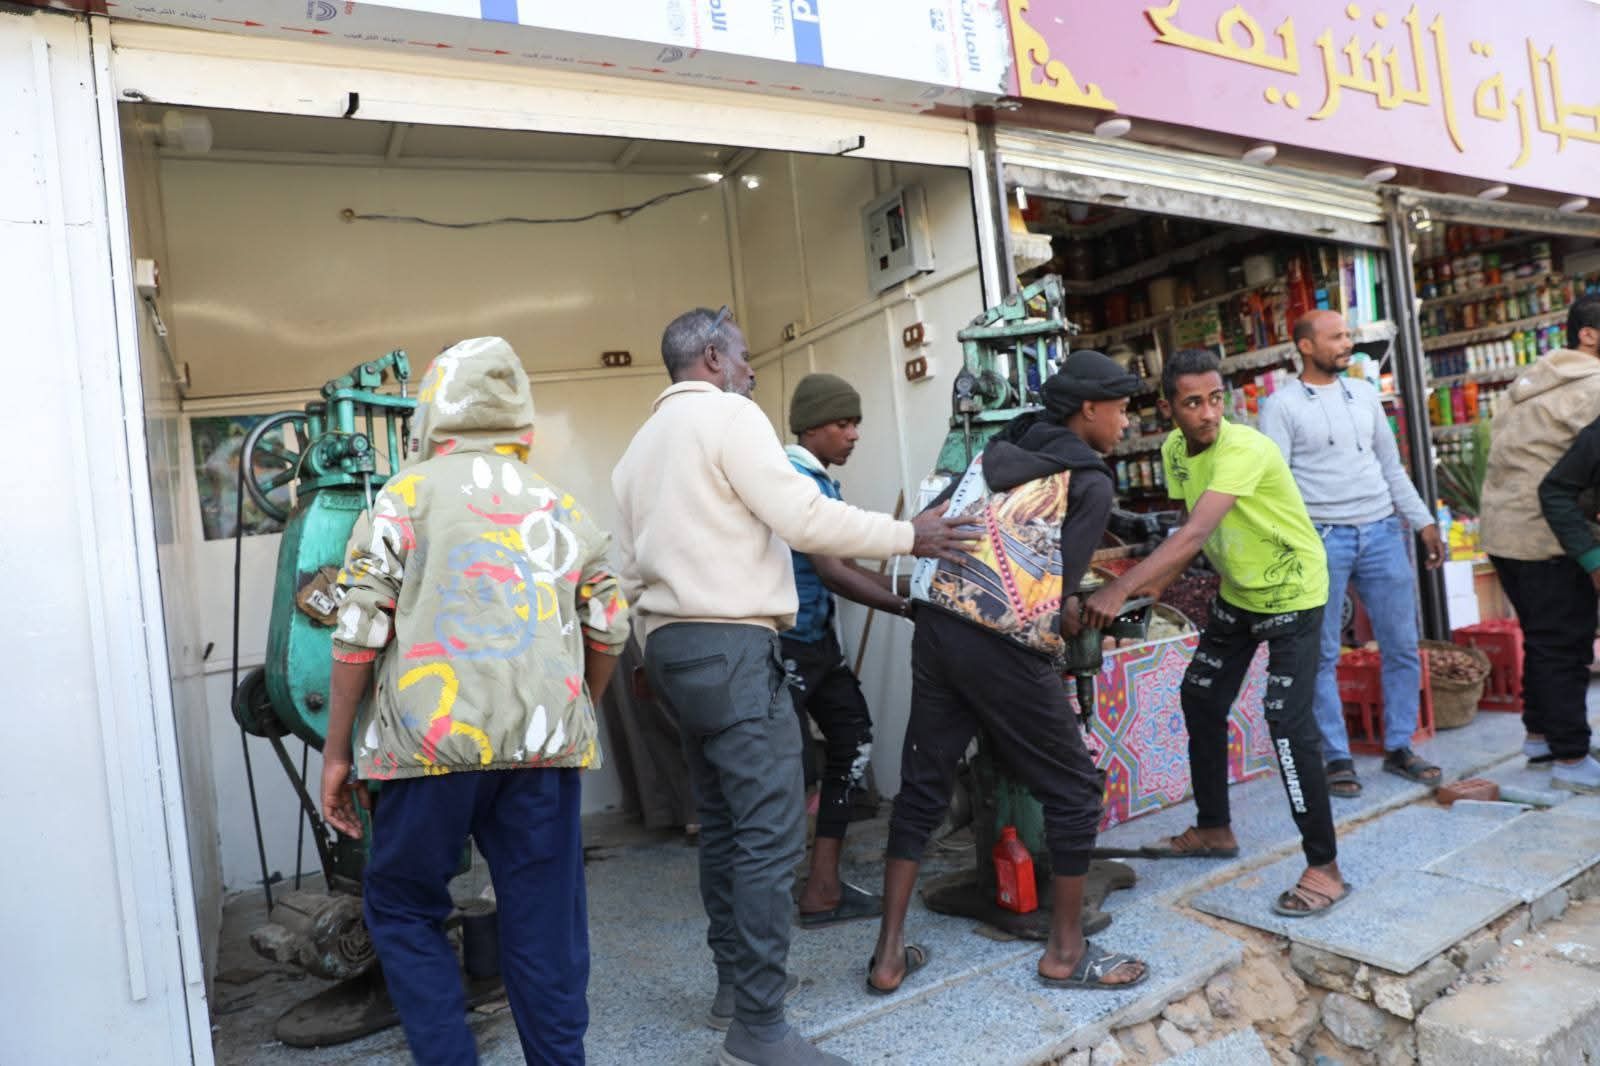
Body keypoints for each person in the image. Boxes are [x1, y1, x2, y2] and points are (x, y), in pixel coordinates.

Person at [611, 307, 976, 1066]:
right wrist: (914, 536)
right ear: (711, 358)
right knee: (771, 836)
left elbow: (625, 573)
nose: (750, 369)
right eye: (742, 355)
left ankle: (730, 992)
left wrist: (647, 654)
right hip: (734, 645)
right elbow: (804, 518)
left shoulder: (639, 449)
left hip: (672, 651)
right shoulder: (727, 418)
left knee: (722, 826)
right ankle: (760, 1026)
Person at [319, 337, 630, 1065]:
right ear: (521, 424)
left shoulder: (404, 496)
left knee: (401, 908)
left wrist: (337, 752)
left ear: (431, 416)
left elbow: (358, 632)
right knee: (544, 926)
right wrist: (576, 706)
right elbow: (610, 624)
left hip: (424, 750)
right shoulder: (558, 505)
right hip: (541, 754)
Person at [866, 351, 1149, 998]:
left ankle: (886, 958)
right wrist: (1079, 611)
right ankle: (1066, 950)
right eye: (1121, 407)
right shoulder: (1090, 479)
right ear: (1088, 409)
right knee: (1076, 790)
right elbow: (1059, 591)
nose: (1126, 421)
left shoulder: (1003, 444)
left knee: (923, 785)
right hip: (999, 640)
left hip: (937, 624)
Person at [1084, 348, 1347, 917]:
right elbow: (1193, 531)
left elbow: (1195, 529)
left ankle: (1324, 865)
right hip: (1240, 596)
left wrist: (1120, 589)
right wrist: (1160, 586)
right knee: (1200, 697)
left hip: (1294, 596)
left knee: (1286, 721)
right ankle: (1213, 828)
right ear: (1168, 408)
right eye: (1192, 402)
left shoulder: (1245, 448)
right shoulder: (1176, 449)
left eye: (1215, 399)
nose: (1207, 413)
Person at [1259, 310, 1444, 798]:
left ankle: (1400, 745)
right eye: (1336, 337)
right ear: (1305, 346)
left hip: (1383, 530)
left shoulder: (1364, 394)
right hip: (1321, 538)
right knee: (1321, 653)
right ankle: (1337, 755)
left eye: (1347, 335)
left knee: (1402, 644)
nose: (1347, 343)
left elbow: (1390, 464)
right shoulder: (1280, 407)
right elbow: (1275, 485)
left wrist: (1423, 520)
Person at [782, 373, 910, 929]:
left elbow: (846, 561)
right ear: (811, 426)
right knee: (781, 775)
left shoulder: (820, 481)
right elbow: (831, 570)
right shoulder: (790, 479)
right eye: (842, 423)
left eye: (856, 422)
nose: (854, 434)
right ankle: (780, 897)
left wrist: (912, 593)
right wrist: (909, 610)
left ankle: (823, 885)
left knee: (852, 737)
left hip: (817, 644)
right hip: (783, 646)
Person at [1491, 295, 1600, 792]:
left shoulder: (1532, 378)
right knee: (1564, 644)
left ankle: (1541, 737)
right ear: (1589, 335)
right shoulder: (1595, 386)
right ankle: (1572, 760)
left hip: (1501, 530)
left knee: (1540, 636)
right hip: (1546, 532)